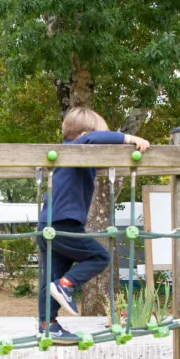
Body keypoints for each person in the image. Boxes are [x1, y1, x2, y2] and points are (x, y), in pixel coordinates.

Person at [37, 107, 150, 343]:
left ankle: (48, 325)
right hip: (64, 224)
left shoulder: (65, 158)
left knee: (51, 278)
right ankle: (66, 285)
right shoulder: (76, 148)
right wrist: (129, 138)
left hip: (47, 226)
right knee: (99, 256)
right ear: (85, 135)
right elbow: (92, 138)